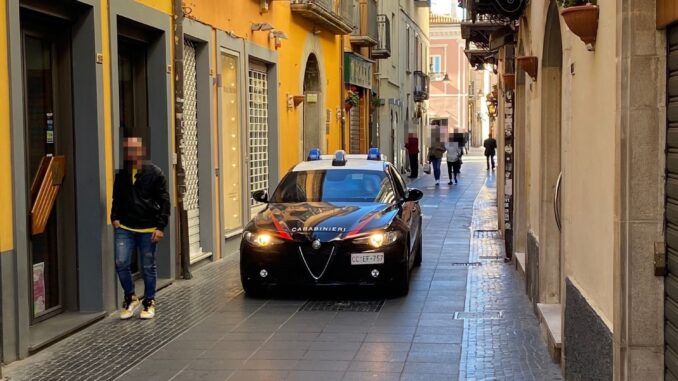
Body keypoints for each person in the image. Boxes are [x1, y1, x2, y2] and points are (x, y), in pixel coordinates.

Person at [111, 137, 170, 320]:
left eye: (135, 149)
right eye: (129, 150)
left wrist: (160, 227)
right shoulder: (122, 174)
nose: (132, 153)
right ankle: (130, 297)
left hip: (147, 228)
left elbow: (164, 201)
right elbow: (117, 197)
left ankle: (149, 301)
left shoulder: (155, 173)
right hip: (125, 227)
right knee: (121, 263)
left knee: (147, 267)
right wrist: (114, 217)